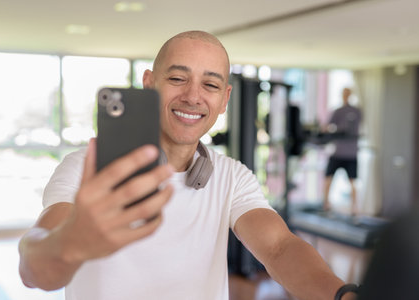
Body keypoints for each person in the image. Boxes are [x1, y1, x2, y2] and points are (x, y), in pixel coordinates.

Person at [19, 30, 356, 300]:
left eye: (209, 85)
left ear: (224, 100)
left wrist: (340, 295)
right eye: (178, 79)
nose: (193, 97)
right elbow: (34, 270)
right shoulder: (84, 169)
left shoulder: (233, 177)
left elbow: (280, 248)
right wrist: (73, 238)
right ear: (149, 84)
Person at [323, 87, 362, 215]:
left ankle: (354, 207)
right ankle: (326, 203)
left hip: (351, 153)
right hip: (338, 151)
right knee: (328, 178)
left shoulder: (356, 111)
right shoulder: (338, 111)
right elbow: (328, 127)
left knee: (353, 181)